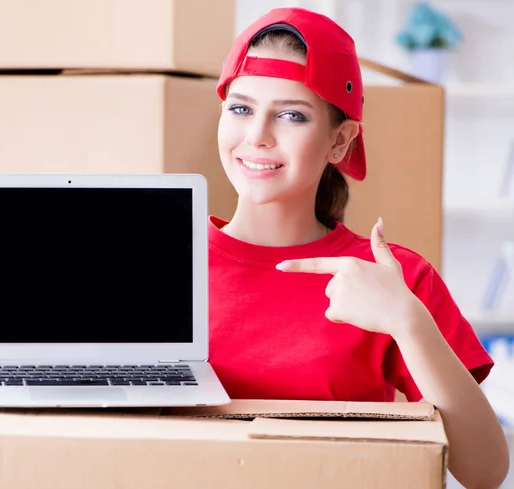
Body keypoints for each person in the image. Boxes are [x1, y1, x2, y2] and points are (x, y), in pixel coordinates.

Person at [207, 7, 510, 489]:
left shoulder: (393, 278)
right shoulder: (165, 260)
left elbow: (484, 471)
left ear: (340, 141)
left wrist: (407, 322)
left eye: (291, 114)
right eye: (240, 108)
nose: (257, 136)